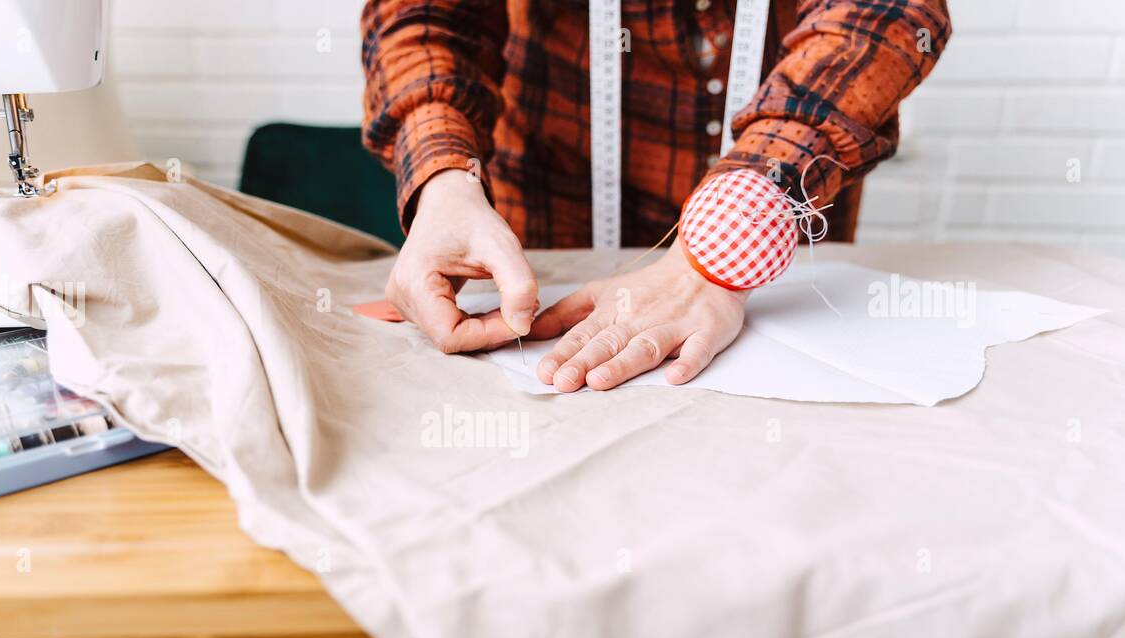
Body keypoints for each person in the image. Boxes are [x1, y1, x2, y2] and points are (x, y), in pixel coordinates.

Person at [360, 0, 951, 391]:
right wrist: (443, 181)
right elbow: (427, 12)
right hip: (553, 180)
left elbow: (884, 13)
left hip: (777, 195)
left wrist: (724, 247)